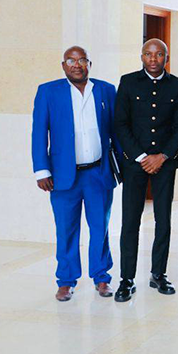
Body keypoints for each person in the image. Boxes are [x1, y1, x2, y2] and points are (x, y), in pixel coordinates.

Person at [31, 46, 120, 302]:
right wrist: (41, 170)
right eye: (71, 60)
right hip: (63, 177)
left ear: (89, 64)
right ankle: (66, 280)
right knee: (66, 229)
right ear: (63, 65)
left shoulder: (105, 90)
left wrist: (122, 166)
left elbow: (116, 130)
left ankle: (101, 277)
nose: (77, 65)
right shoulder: (48, 92)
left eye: (82, 60)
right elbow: (39, 133)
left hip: (98, 173)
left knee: (100, 227)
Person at [111, 38, 178, 302]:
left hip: (165, 163)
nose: (153, 59)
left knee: (163, 220)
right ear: (141, 56)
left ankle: (159, 274)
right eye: (148, 54)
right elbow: (120, 124)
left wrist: (162, 156)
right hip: (135, 163)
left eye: (159, 54)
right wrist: (142, 157)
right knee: (130, 221)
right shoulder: (128, 82)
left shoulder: (177, 85)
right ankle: (127, 279)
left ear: (166, 57)